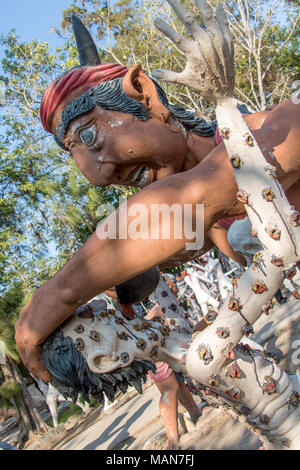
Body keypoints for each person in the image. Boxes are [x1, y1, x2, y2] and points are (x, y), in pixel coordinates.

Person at [15, 13, 300, 382]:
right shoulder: (211, 226)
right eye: (76, 153)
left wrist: (59, 294)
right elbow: (165, 242)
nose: (100, 175)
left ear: (145, 95)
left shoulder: (279, 127)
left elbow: (194, 200)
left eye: (89, 137)